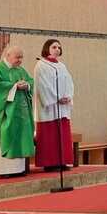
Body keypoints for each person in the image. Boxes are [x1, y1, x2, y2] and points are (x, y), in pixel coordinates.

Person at [0, 46, 35, 177]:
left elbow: (30, 80)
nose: (20, 60)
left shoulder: (20, 70)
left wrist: (27, 85)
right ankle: (4, 170)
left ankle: (18, 170)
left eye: (21, 57)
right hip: (4, 112)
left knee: (20, 136)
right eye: (17, 57)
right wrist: (14, 86)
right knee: (5, 134)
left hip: (19, 113)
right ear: (8, 55)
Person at [33, 39, 74, 172]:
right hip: (49, 107)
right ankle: (50, 163)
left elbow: (69, 82)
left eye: (59, 47)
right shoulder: (41, 65)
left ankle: (63, 161)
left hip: (62, 106)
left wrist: (68, 96)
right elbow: (42, 85)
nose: (57, 49)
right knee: (50, 135)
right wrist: (56, 98)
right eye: (54, 47)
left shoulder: (62, 66)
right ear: (47, 49)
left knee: (62, 134)